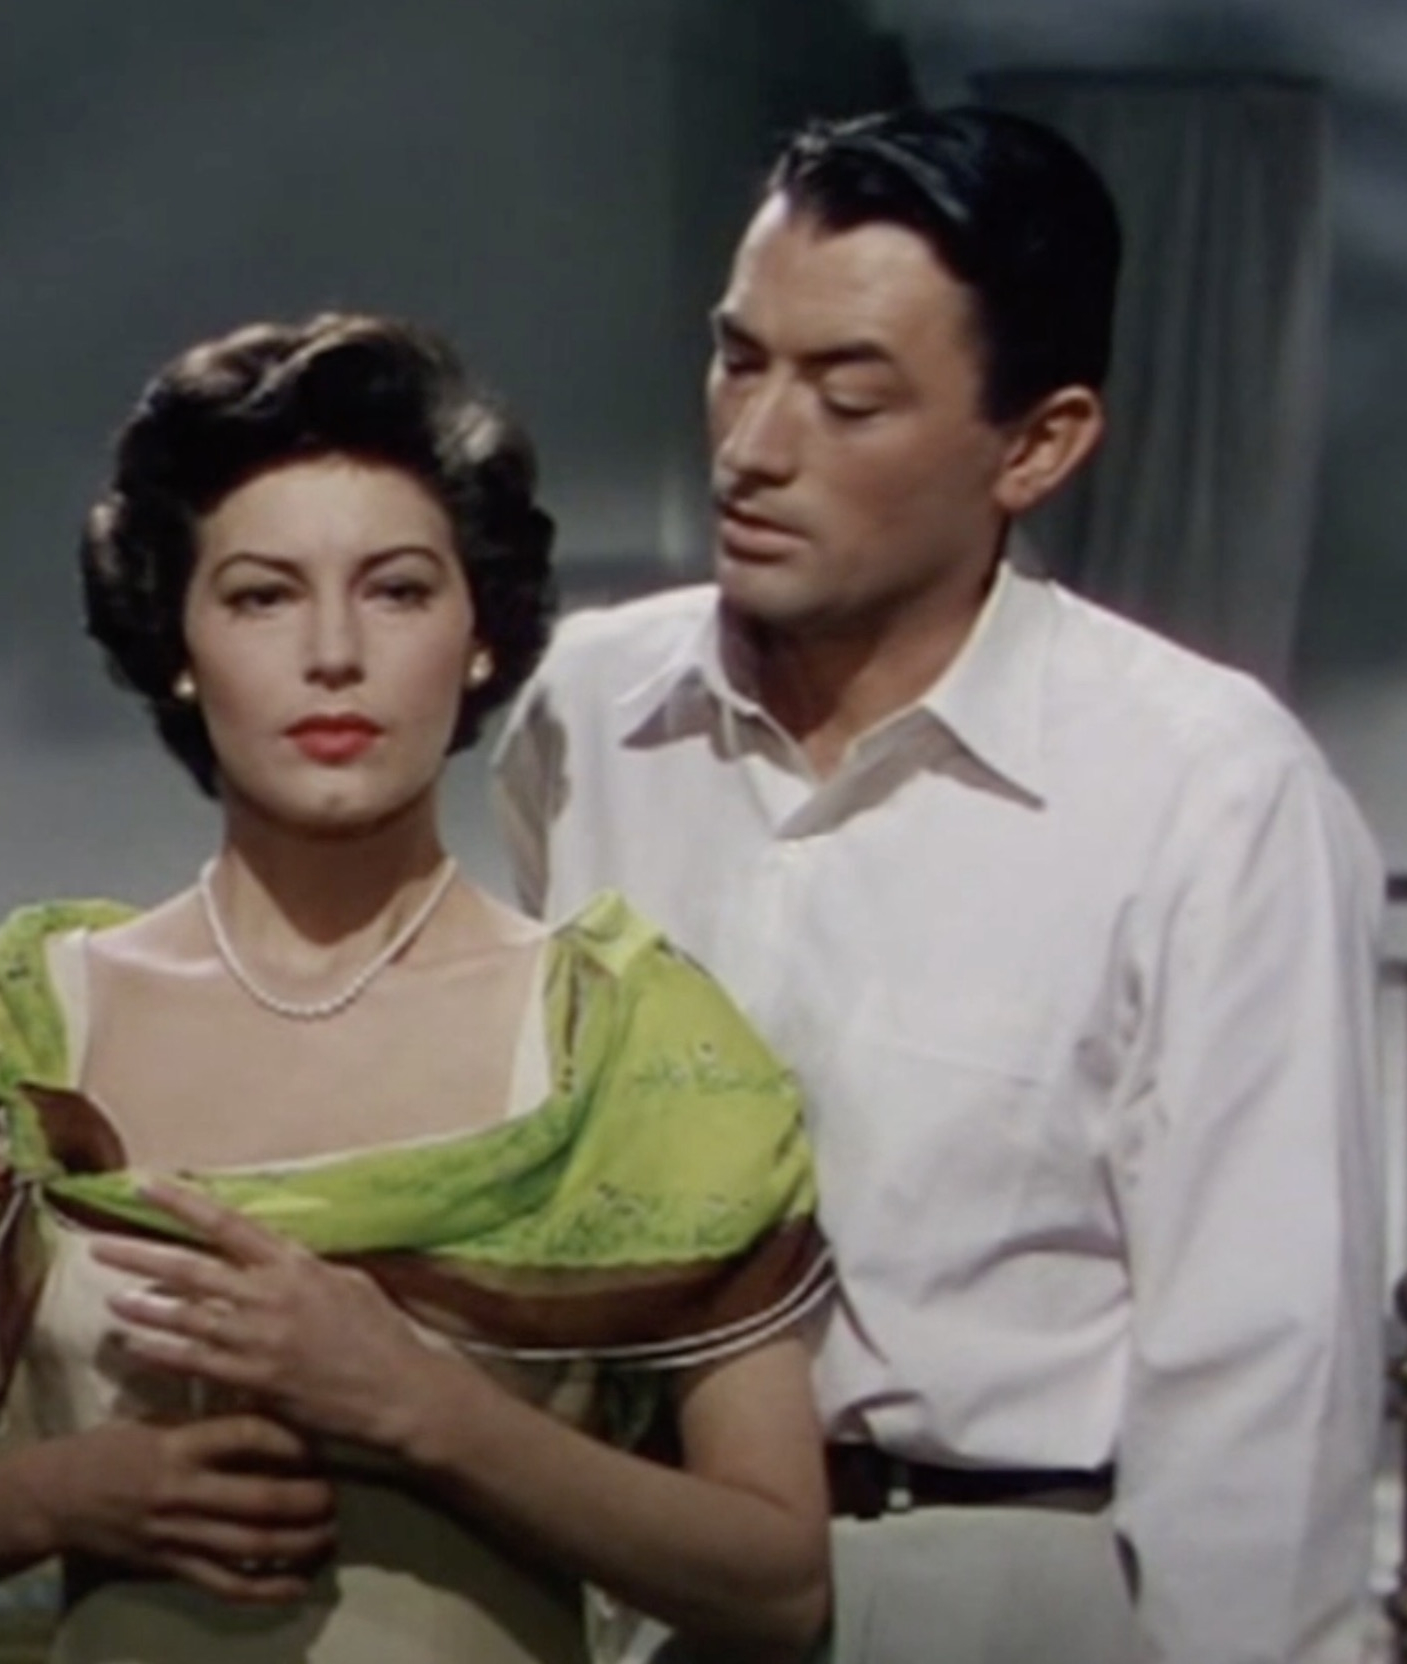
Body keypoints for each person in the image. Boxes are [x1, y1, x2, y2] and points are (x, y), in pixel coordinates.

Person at [0, 313, 835, 1664]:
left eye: (397, 591)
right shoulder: (17, 1028)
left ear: (482, 636)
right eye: (262, 596)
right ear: (178, 643)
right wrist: (60, 1495)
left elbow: (777, 1583)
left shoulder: (629, 1043)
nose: (335, 652)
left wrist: (420, 1409)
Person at [493, 107, 1385, 1664]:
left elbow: (1266, 1376)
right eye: (739, 360)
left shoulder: (1208, 791)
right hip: (647, 1561)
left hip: (1004, 1580)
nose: (754, 446)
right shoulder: (593, 706)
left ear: (1037, 445)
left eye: (849, 397)